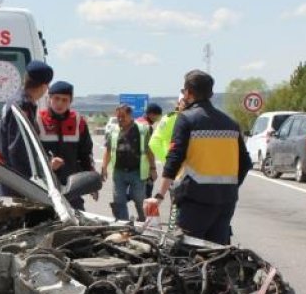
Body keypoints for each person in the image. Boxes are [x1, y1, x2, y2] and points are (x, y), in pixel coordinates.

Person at [144, 70, 250, 245]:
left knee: (182, 255)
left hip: (194, 201)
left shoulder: (186, 119)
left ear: (187, 93)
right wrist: (230, 186)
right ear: (211, 94)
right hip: (226, 201)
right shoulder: (230, 123)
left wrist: (159, 195)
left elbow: (174, 159)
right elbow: (245, 163)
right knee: (217, 255)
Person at [34, 80, 95, 209]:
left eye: (64, 100)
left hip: (72, 186)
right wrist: (49, 163)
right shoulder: (38, 120)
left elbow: (86, 154)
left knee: (78, 223)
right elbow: (31, 154)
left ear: (70, 101)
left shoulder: (78, 122)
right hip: (44, 186)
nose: (60, 103)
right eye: (56, 98)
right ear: (49, 98)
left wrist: (91, 182)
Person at [0, 60, 53, 197]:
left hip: (12, 178)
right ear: (44, 87)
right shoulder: (22, 107)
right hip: (18, 182)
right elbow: (18, 149)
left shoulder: (17, 102)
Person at [100, 104, 156, 220]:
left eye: (123, 116)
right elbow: (109, 149)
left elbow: (149, 151)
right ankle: (124, 225)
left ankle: (144, 223)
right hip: (119, 172)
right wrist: (104, 167)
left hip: (137, 172)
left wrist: (153, 168)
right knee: (119, 200)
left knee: (140, 199)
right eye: (118, 117)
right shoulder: (113, 130)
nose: (120, 119)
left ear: (130, 115)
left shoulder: (142, 129)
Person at [139, 103, 162, 197]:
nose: (158, 119)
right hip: (144, 167)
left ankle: (121, 202)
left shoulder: (135, 123)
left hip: (132, 165)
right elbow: (149, 150)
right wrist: (153, 169)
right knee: (147, 194)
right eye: (157, 116)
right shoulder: (148, 127)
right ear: (151, 114)